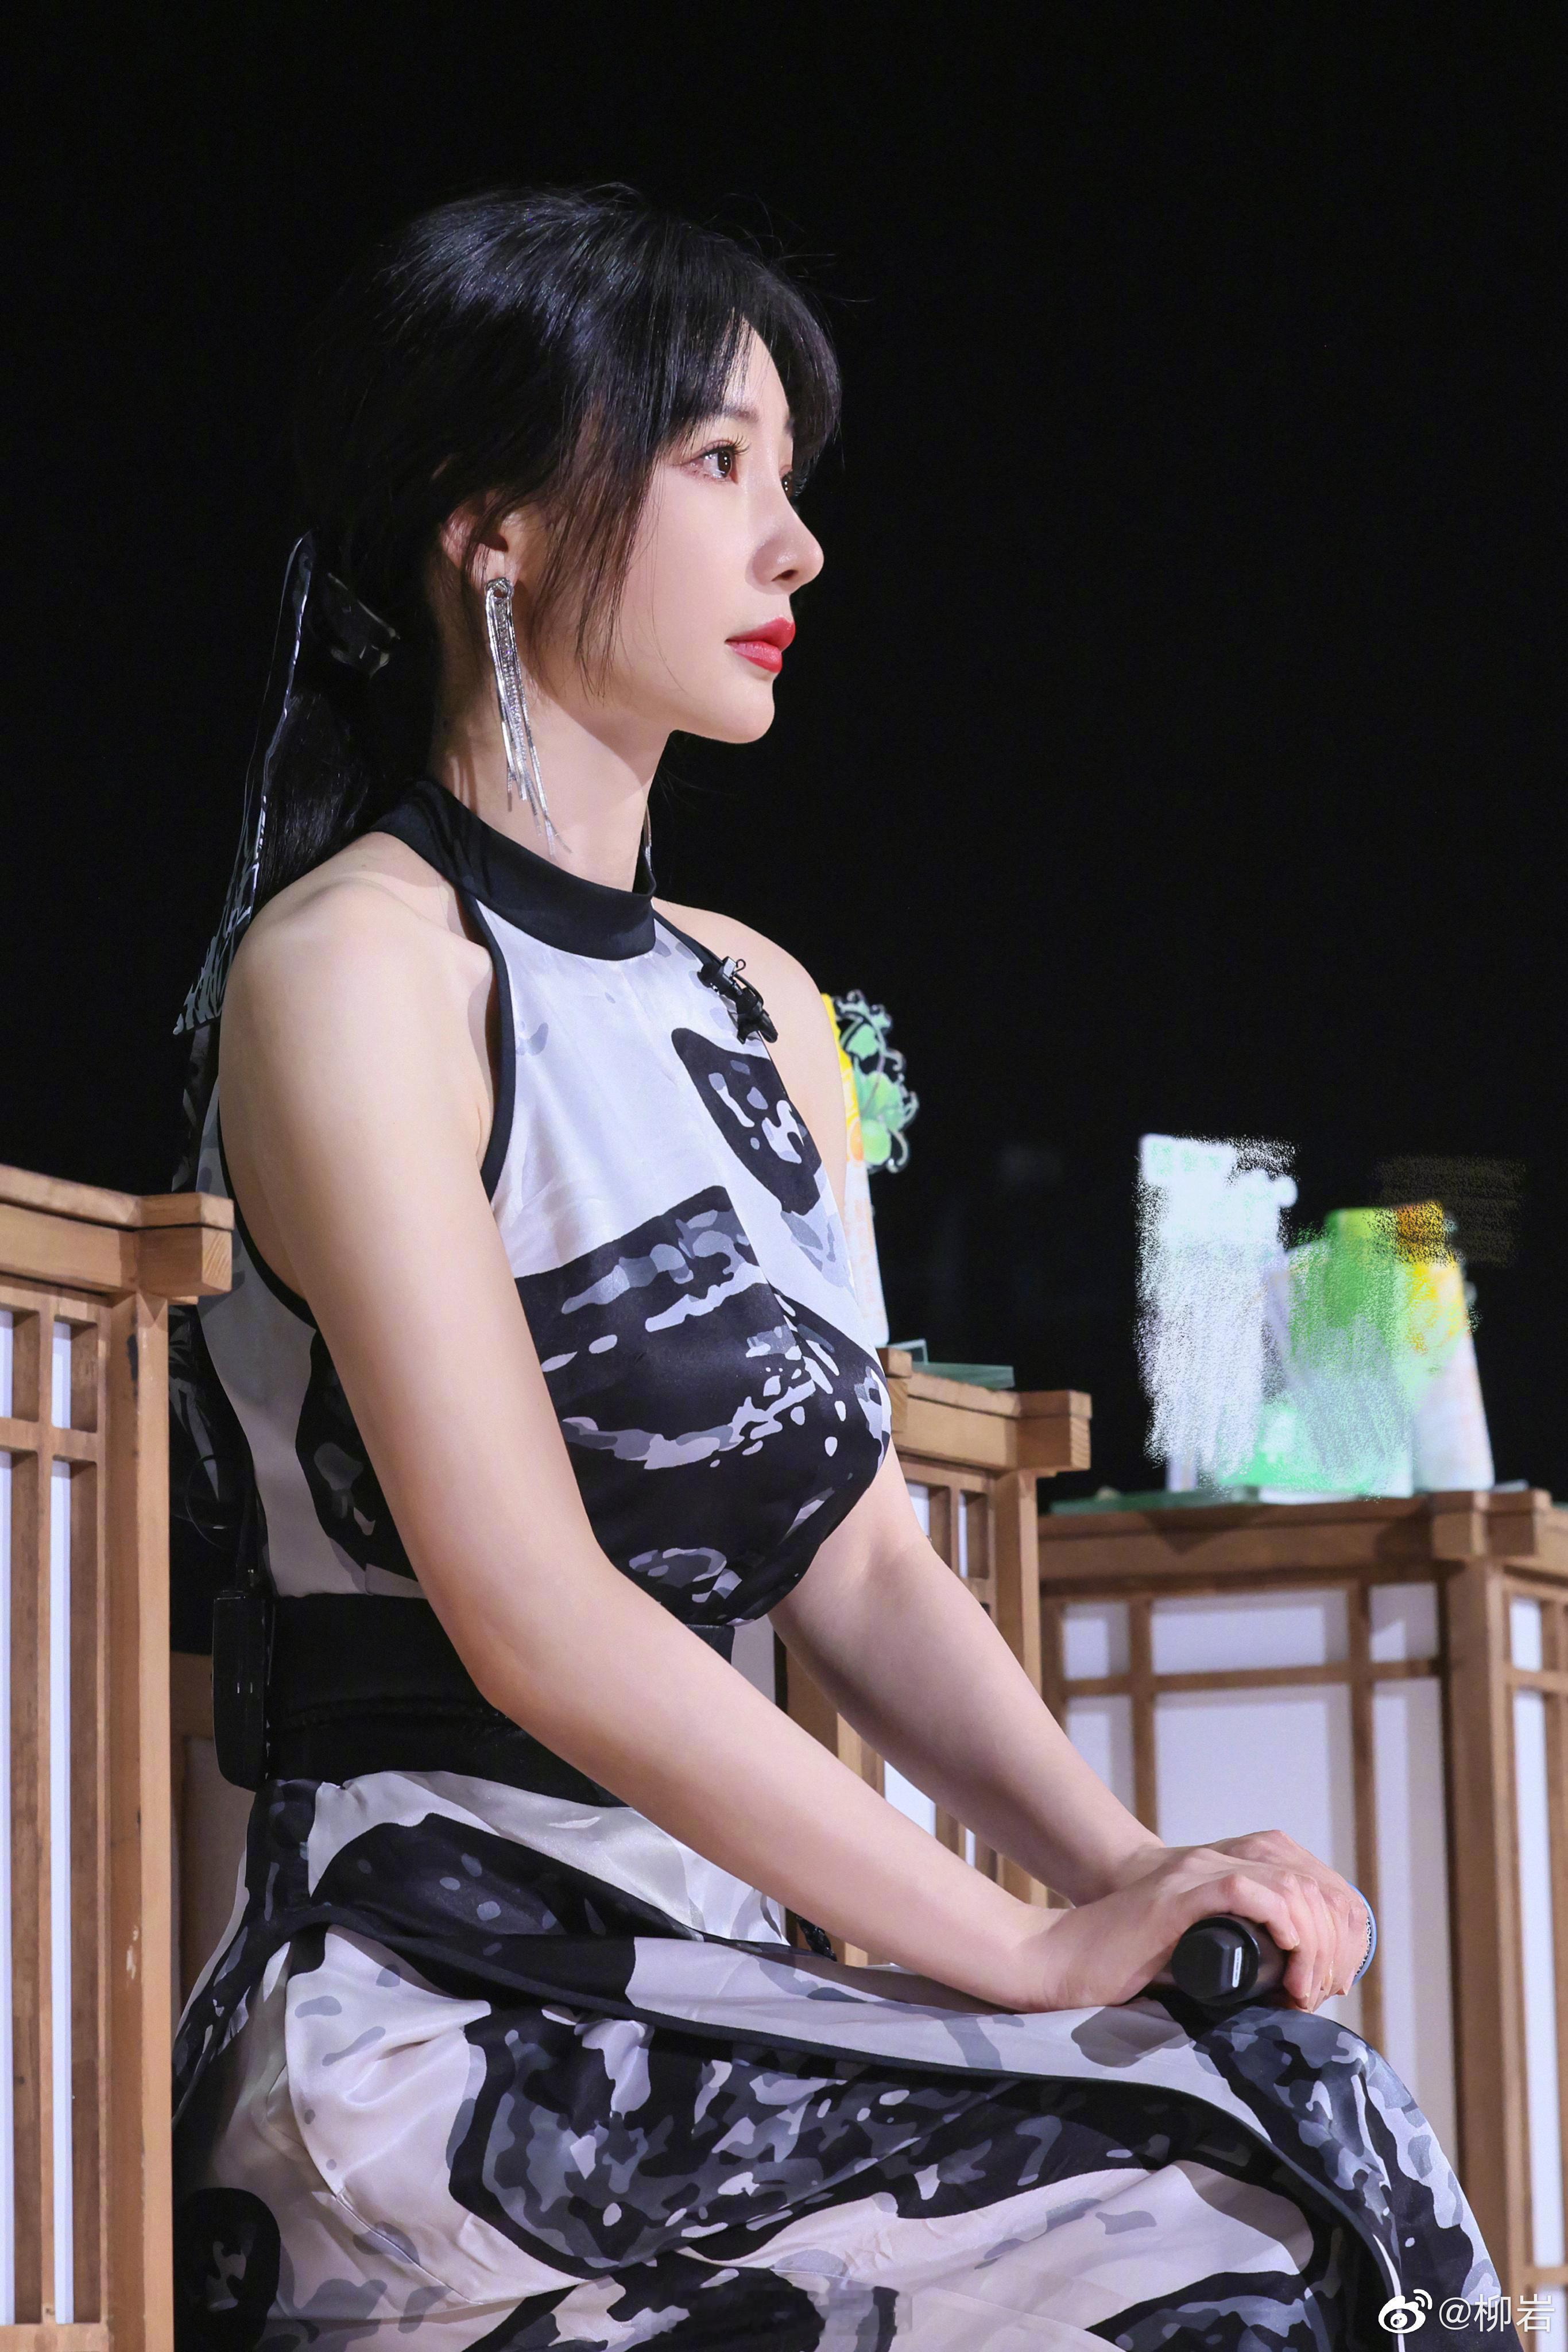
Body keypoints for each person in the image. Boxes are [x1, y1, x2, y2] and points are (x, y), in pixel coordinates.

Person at [169, 186, 1512, 2350]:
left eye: (787, 476)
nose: (791, 546)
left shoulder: (760, 1005)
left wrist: (1123, 1871)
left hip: (715, 1986)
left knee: (1301, 2121)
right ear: (489, 527)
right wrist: (1023, 1951)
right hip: (440, 2010)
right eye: (716, 462)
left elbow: (867, 1564)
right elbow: (533, 1613)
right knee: (1229, 2218)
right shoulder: (360, 974)